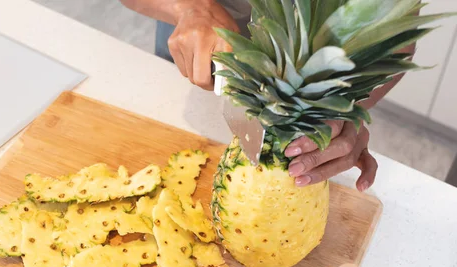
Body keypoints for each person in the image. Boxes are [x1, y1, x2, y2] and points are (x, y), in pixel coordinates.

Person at [120, 0, 416, 191]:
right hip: (196, 42)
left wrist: (350, 107)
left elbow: (396, 34)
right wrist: (189, 8)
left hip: (307, 95)